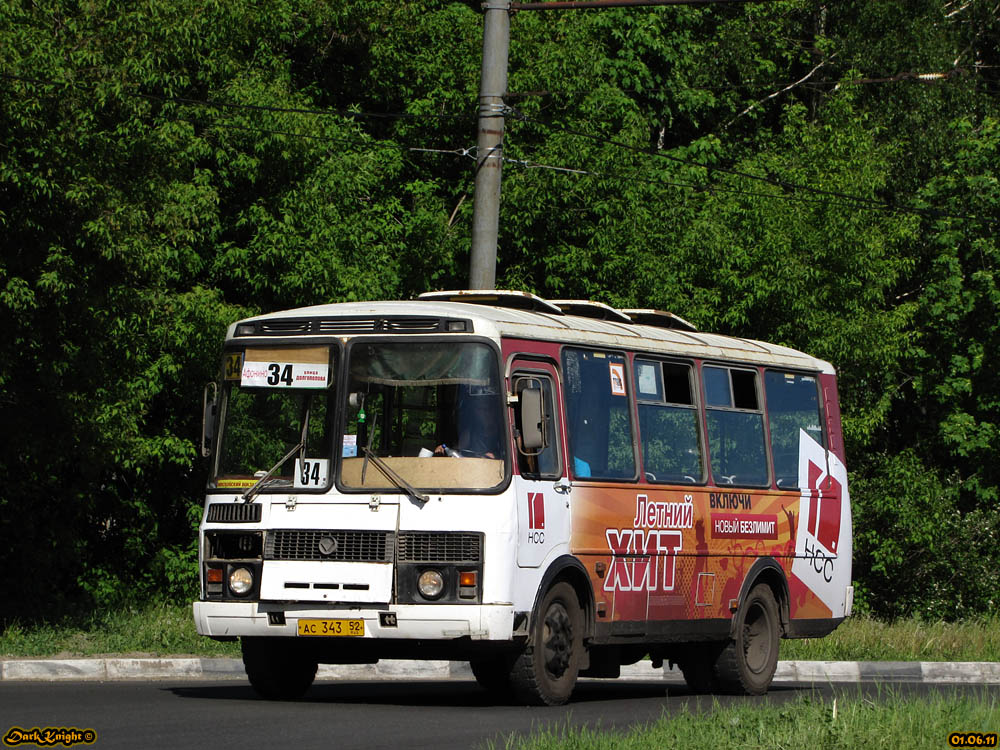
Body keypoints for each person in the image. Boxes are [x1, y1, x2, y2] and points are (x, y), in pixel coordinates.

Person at [435, 384, 502, 459]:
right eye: (480, 409)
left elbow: (512, 455)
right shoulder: (471, 432)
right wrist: (444, 449)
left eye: (487, 409)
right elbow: (456, 451)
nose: (485, 413)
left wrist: (495, 456)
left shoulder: (504, 429)